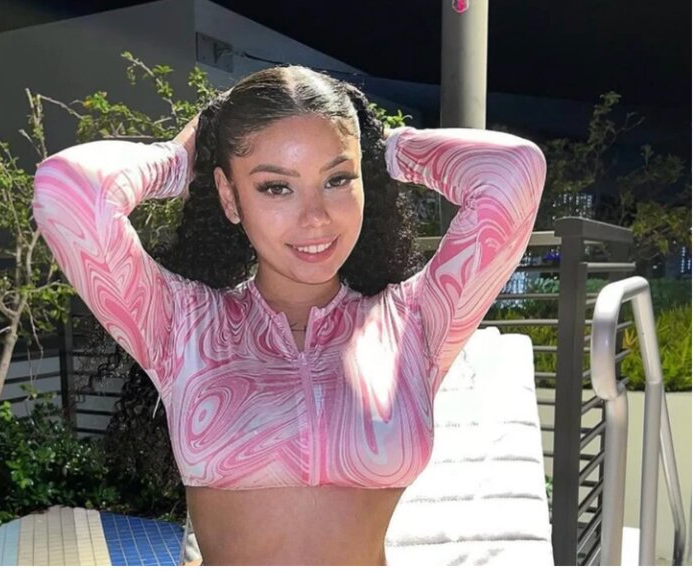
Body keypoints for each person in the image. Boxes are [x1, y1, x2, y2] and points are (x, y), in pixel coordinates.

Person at [32, 65, 547, 566]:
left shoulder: (415, 320)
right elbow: (67, 190)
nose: (316, 217)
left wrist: (384, 145)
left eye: (337, 178)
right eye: (276, 187)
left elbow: (514, 172)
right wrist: (179, 159)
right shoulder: (182, 323)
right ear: (230, 196)